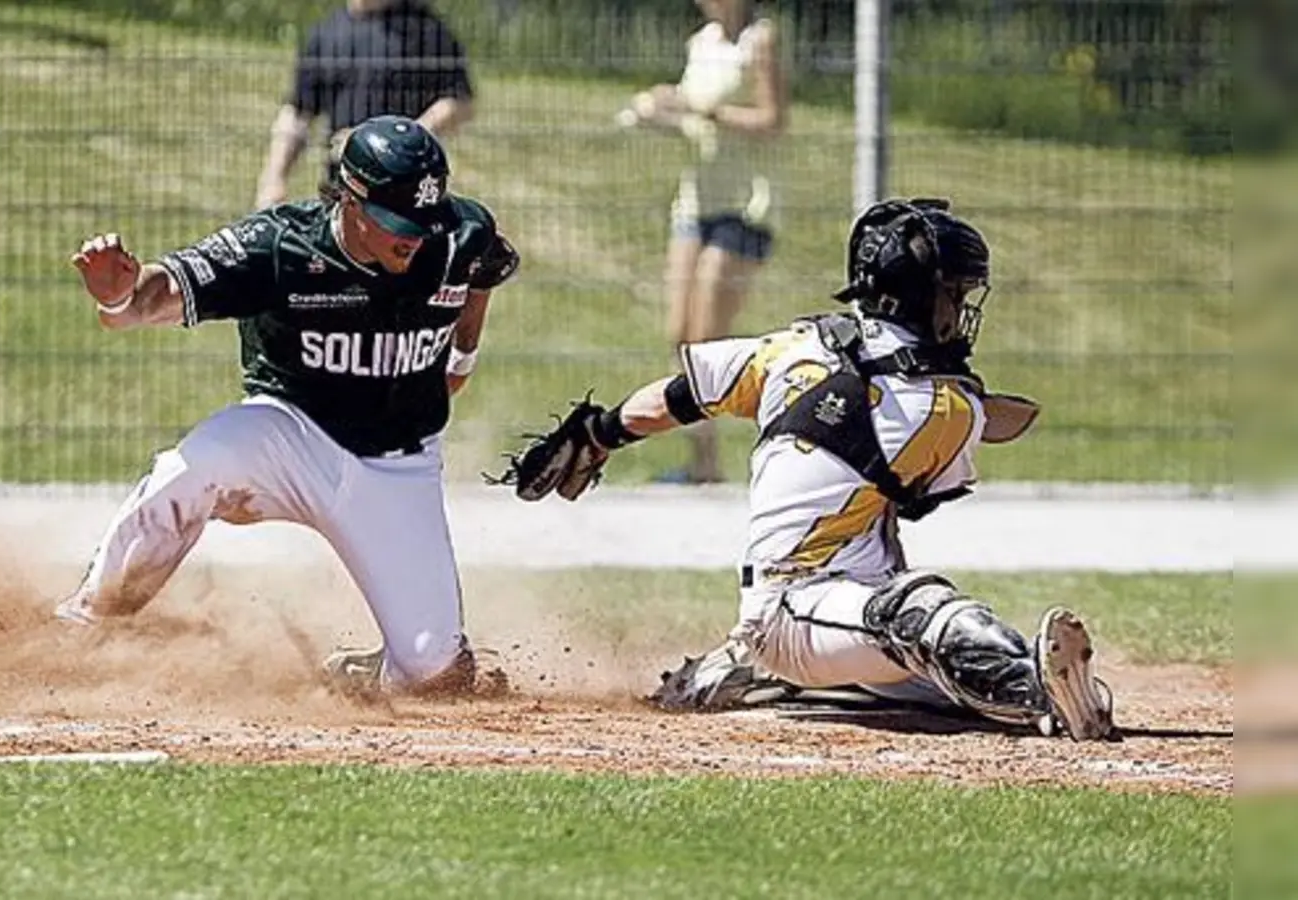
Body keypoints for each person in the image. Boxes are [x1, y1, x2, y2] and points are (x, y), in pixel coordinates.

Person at [496, 198, 1116, 740]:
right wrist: (972, 406)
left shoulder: (797, 346)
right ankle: (1043, 698)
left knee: (948, 649)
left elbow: (682, 396)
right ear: (921, 294)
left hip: (844, 611)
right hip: (796, 607)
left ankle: (784, 674)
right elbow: (938, 474)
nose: (959, 308)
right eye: (953, 292)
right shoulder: (945, 405)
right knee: (922, 609)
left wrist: (599, 433)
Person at [61, 116, 520, 699]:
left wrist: (461, 359)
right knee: (193, 469)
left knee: (436, 677)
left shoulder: (459, 233)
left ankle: (369, 672)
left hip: (397, 464)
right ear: (350, 199)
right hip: (287, 437)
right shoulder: (279, 246)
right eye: (397, 222)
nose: (415, 237)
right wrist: (118, 295)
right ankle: (88, 621)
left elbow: (482, 273)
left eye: (425, 222)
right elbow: (154, 297)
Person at [621, 0, 788, 484]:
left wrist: (702, 110)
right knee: (680, 335)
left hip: (745, 205)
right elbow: (695, 116)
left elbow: (772, 120)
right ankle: (704, 463)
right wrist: (662, 109)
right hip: (696, 202)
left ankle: (760, 451)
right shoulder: (703, 42)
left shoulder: (761, 39)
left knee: (708, 340)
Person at [255, 0, 476, 211]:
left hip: (404, 199)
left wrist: (393, 144)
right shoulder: (326, 33)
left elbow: (459, 102)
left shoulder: (427, 31)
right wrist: (274, 178)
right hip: (342, 194)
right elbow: (298, 113)